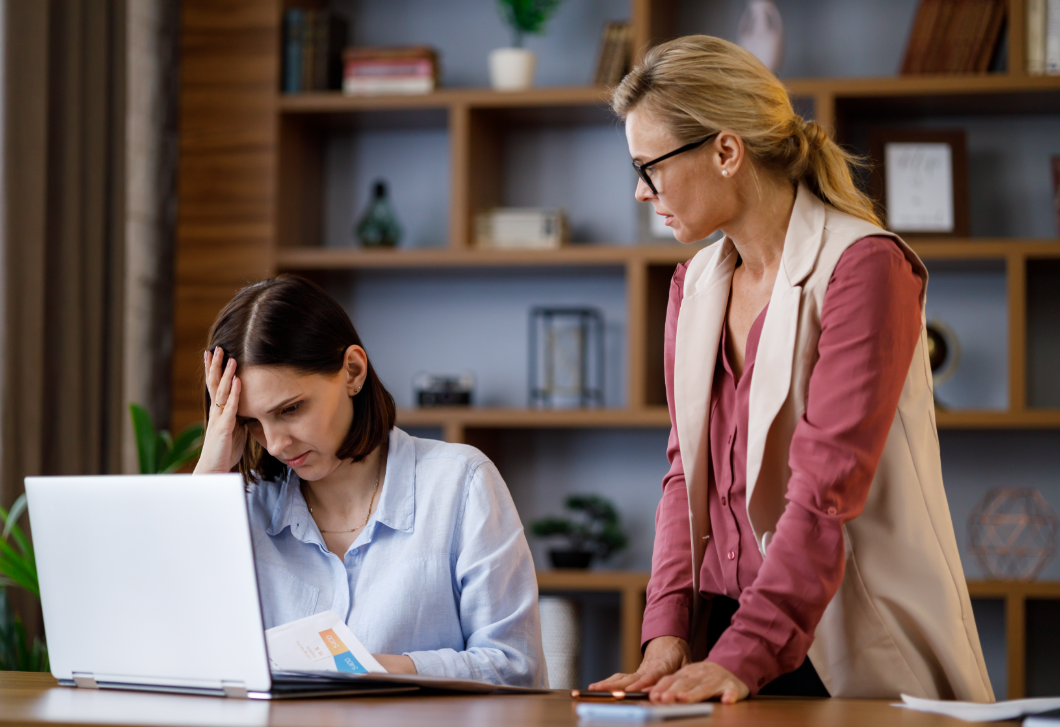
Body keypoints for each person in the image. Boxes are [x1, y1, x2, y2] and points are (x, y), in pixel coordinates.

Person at [592, 36, 994, 704]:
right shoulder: (693, 284)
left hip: (843, 645)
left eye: (649, 166)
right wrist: (665, 629)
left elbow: (822, 494)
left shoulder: (865, 268)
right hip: (721, 635)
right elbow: (684, 472)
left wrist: (744, 656)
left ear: (726, 152)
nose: (640, 191)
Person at [192, 274, 546, 687]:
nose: (275, 444)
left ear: (353, 371)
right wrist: (209, 474)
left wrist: (369, 669)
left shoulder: (461, 485)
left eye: (290, 409)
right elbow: (177, 650)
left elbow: (514, 669)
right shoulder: (242, 509)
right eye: (251, 421)